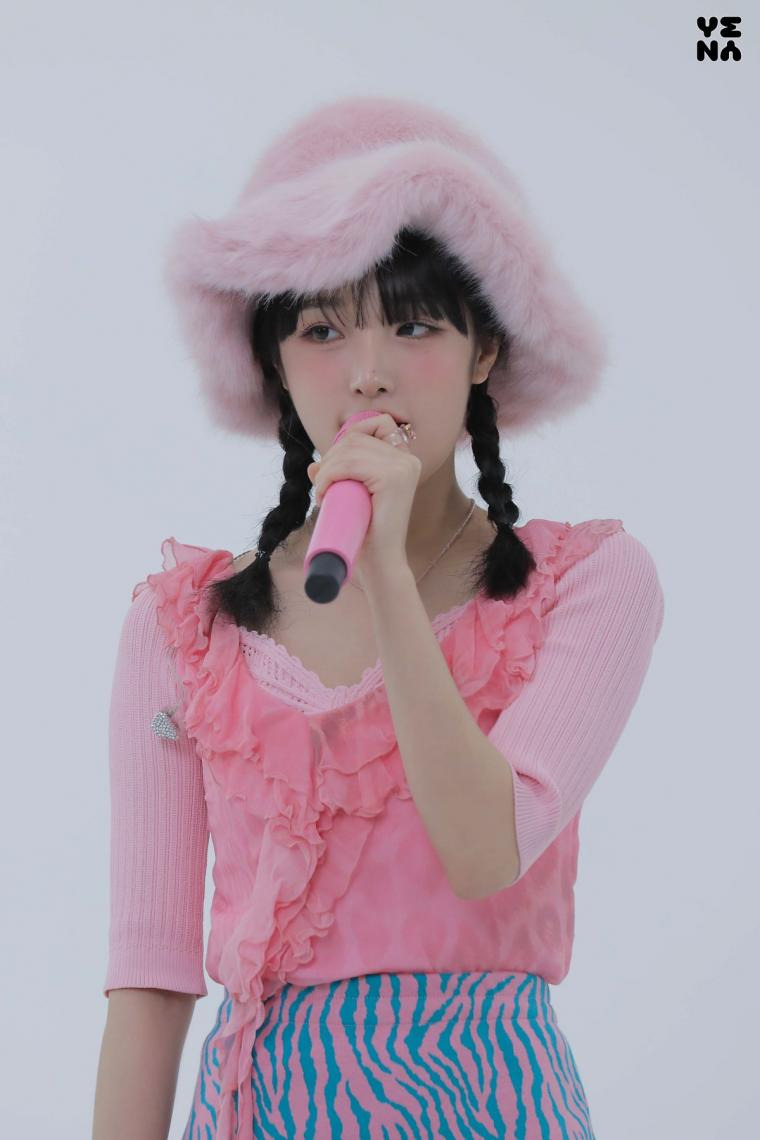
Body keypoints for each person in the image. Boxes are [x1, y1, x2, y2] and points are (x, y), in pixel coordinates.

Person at [94, 95, 665, 1140]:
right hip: (257, 1110)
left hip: (487, 1106)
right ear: (273, 361)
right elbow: (150, 971)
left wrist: (390, 577)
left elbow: (484, 850)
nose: (367, 372)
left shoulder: (586, 586)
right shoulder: (182, 629)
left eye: (412, 325)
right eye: (321, 330)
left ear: (484, 347)